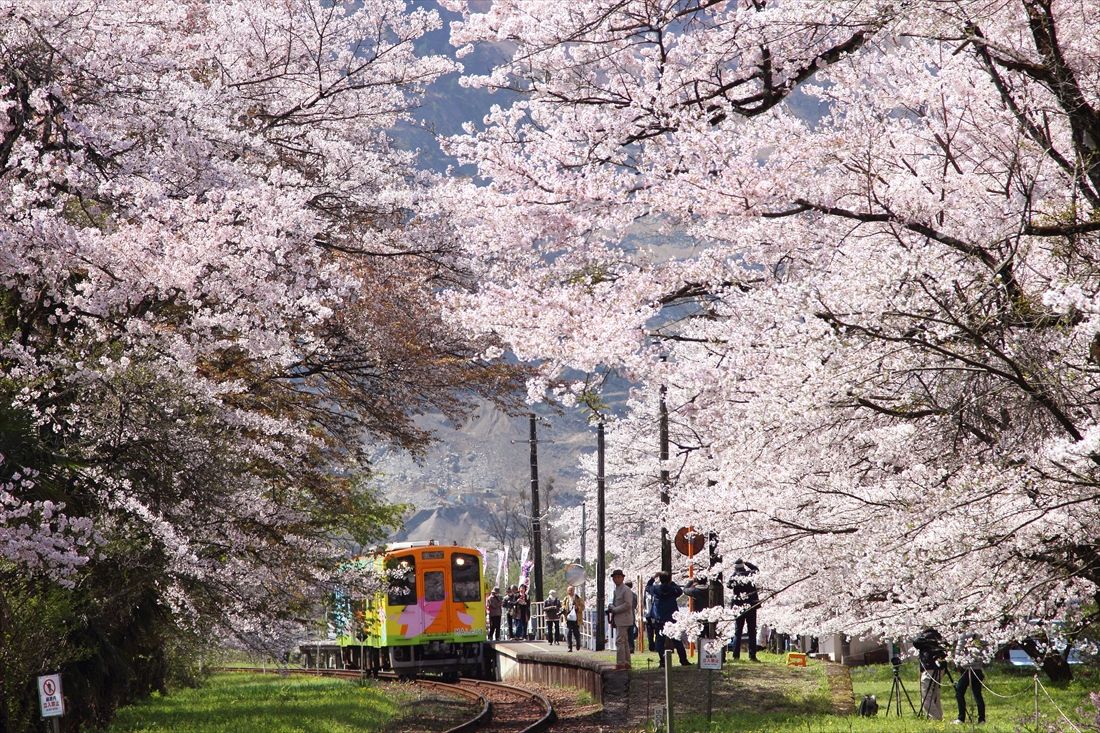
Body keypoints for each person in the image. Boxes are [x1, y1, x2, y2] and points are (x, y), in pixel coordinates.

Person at [646, 571, 690, 667]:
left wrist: (653, 578)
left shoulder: (656, 589)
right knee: (677, 641)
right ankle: (683, 660)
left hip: (660, 619)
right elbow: (680, 590)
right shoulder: (673, 590)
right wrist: (671, 582)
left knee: (660, 641)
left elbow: (647, 587)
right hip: (672, 618)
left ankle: (662, 661)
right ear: (669, 579)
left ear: (660, 579)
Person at [727, 558, 760, 661]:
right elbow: (756, 569)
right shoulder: (750, 574)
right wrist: (747, 563)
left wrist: (734, 573)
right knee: (752, 631)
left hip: (738, 607)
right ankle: (752, 656)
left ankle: (736, 656)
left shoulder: (734, 576)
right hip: (751, 605)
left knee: (738, 632)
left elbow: (728, 585)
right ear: (743, 566)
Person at [911, 627, 947, 720]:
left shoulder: (924, 638)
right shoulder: (940, 638)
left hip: (929, 668)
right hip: (940, 668)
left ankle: (935, 717)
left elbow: (915, 642)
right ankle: (939, 715)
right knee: (935, 693)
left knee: (926, 694)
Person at [953, 635, 986, 724]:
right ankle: (982, 719)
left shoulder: (964, 635)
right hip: (978, 669)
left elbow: (958, 651)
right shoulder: (981, 634)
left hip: (966, 669)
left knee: (959, 692)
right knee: (977, 695)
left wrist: (957, 664)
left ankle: (961, 718)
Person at [610, 569, 635, 669]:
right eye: (614, 577)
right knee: (624, 641)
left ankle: (621, 662)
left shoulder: (626, 590)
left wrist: (615, 609)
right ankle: (626, 662)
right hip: (619, 618)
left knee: (620, 641)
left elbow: (628, 604)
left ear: (622, 578)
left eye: (618, 577)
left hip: (624, 618)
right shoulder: (616, 589)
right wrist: (611, 606)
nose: (616, 579)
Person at [563, 584, 584, 651]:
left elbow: (583, 607)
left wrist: (577, 608)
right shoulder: (566, 598)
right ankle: (570, 647)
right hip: (568, 618)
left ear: (574, 591)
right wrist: (563, 609)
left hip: (576, 618)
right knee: (568, 633)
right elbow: (563, 605)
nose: (570, 591)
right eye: (569, 590)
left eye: (571, 590)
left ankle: (578, 644)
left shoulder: (578, 598)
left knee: (576, 632)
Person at [625, 580, 639, 652]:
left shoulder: (623, 594)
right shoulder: (634, 595)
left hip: (624, 615)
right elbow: (635, 605)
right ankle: (631, 647)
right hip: (632, 614)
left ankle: (626, 647)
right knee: (630, 632)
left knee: (625, 632)